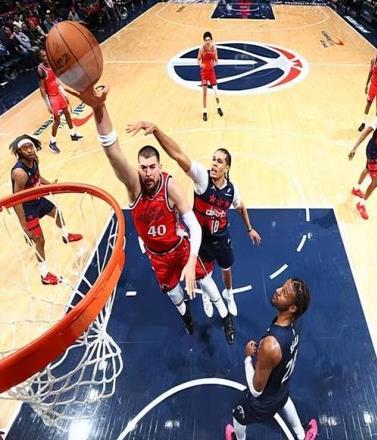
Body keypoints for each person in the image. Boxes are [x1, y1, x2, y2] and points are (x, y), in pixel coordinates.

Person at [67, 86, 234, 342]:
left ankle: (225, 317)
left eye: (152, 167)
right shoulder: (134, 186)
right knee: (174, 295)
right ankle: (187, 317)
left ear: (159, 167)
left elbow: (193, 226)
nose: (147, 172)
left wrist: (191, 260)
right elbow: (113, 153)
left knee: (208, 283)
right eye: (143, 167)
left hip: (179, 247)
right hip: (157, 255)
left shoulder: (170, 186)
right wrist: (99, 108)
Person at [126, 121, 261, 318]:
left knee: (226, 269)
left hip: (222, 237)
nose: (214, 164)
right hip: (202, 238)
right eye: (213, 159)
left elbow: (240, 207)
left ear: (227, 168)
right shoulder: (202, 178)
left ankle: (228, 294)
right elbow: (178, 155)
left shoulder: (232, 190)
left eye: (219, 161)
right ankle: (207, 296)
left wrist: (249, 228)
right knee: (204, 275)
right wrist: (156, 130)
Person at [225, 278, 318, 440]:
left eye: (284, 292)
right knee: (284, 400)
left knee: (238, 415)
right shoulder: (295, 326)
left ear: (292, 308)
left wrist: (247, 358)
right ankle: (302, 436)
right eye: (282, 286)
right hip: (281, 389)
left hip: (263, 402)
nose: (277, 290)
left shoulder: (270, 345)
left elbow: (256, 390)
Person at [9, 134, 83, 285]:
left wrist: (51, 186)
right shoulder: (20, 173)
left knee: (58, 213)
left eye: (30, 147)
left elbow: (38, 177)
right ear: (19, 152)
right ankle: (44, 275)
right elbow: (17, 201)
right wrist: (24, 227)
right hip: (27, 207)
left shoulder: (34, 160)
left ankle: (66, 236)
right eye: (25, 148)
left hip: (38, 200)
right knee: (40, 240)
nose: (29, 150)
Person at [37, 49, 82, 154]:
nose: (46, 57)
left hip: (58, 93)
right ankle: (52, 142)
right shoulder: (40, 70)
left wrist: (64, 93)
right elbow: (42, 89)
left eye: (46, 55)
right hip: (52, 97)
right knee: (57, 121)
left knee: (67, 113)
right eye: (43, 56)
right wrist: (47, 104)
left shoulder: (51, 64)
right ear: (40, 58)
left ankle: (73, 134)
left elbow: (56, 80)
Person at [198, 31, 223, 122]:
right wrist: (201, 64)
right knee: (205, 93)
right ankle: (204, 111)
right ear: (204, 41)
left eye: (209, 39)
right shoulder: (201, 49)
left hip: (211, 72)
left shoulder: (214, 49)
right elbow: (198, 59)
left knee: (216, 91)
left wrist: (214, 64)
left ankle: (219, 107)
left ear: (211, 40)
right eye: (206, 40)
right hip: (204, 73)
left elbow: (216, 60)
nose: (207, 41)